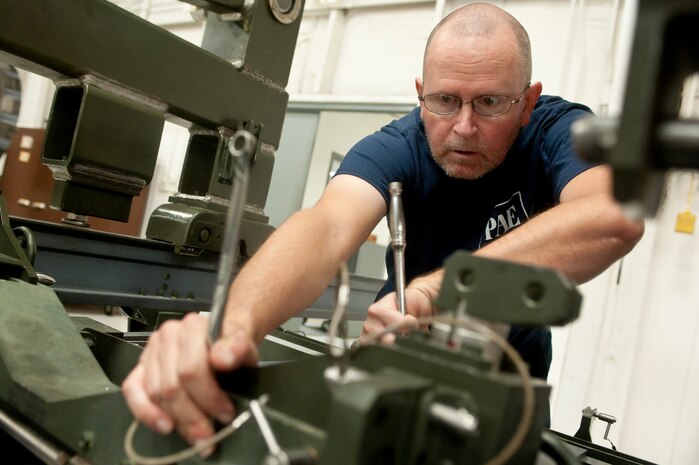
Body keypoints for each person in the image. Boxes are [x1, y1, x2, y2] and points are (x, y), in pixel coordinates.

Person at [122, 3, 644, 450]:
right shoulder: (398, 146)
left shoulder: (556, 130)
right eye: (443, 100)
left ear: (528, 101)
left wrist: (438, 291)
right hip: (395, 389)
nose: (463, 127)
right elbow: (325, 227)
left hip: (513, 400)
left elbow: (614, 214)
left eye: (489, 103)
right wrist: (230, 327)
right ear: (421, 92)